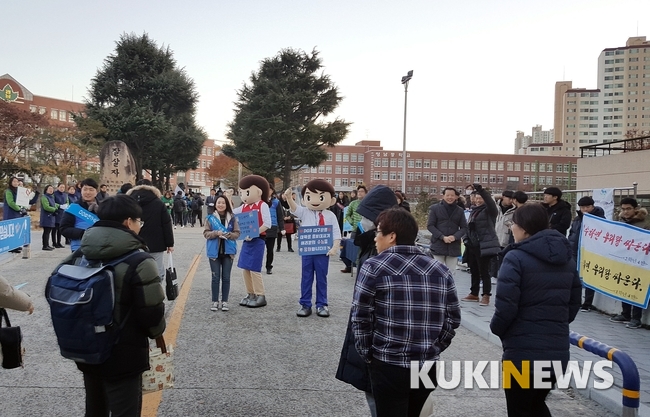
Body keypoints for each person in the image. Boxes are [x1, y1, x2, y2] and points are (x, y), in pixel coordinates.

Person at [59, 194, 166, 417]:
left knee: (95, 407)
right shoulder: (139, 260)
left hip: (88, 346)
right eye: (139, 221)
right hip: (124, 353)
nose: (140, 226)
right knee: (125, 409)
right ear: (129, 222)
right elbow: (151, 311)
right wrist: (157, 333)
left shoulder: (82, 252)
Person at [351, 208, 461, 417]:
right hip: (427, 365)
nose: (375, 238)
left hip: (389, 363)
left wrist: (368, 353)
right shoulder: (440, 270)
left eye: (378, 232)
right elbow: (453, 318)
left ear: (391, 236)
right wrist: (434, 347)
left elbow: (361, 316)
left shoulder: (374, 266)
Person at [490, 203, 581, 416]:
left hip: (522, 353)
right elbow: (574, 302)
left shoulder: (515, 257)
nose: (511, 227)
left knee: (520, 407)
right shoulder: (566, 257)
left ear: (524, 228)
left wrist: (498, 328)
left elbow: (506, 306)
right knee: (537, 404)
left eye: (514, 223)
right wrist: (555, 324)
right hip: (556, 351)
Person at [336, 185, 398, 417]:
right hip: (369, 336)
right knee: (373, 390)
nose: (362, 221)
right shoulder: (368, 243)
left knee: (381, 395)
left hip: (380, 338)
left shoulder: (384, 252)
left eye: (366, 217)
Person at [284, 180, 341, 317]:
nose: (315, 200)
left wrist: (334, 247)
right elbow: (294, 208)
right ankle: (305, 304)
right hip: (308, 251)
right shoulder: (305, 212)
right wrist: (288, 198)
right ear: (304, 199)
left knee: (322, 277)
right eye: (309, 197)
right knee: (306, 277)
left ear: (331, 200)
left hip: (323, 251)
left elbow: (336, 233)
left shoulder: (330, 215)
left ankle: (322, 304)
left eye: (321, 197)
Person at [230, 175, 271, 308]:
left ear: (259, 192)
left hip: (258, 239)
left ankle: (261, 294)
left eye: (246, 192)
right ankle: (250, 293)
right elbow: (231, 212)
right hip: (247, 240)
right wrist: (228, 198)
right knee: (245, 267)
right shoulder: (244, 207)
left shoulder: (262, 205)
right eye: (242, 193)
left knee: (254, 268)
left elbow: (267, 224)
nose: (244, 196)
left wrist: (255, 233)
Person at [609, 197, 650, 329]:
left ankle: (636, 318)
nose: (626, 211)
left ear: (635, 209)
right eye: (623, 209)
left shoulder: (644, 224)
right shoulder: (621, 222)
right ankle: (625, 313)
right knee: (624, 285)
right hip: (624, 260)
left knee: (637, 287)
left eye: (629, 209)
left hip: (640, 262)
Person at [127, 179, 175, 283]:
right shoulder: (158, 203)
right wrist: (169, 243)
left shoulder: (128, 202)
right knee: (156, 270)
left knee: (134, 268)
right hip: (155, 242)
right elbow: (166, 223)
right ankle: (155, 293)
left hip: (132, 241)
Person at [461, 184, 500, 306]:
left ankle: (486, 295)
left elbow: (490, 202)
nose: (477, 200)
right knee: (474, 270)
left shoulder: (489, 211)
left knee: (484, 271)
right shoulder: (473, 211)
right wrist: (466, 239)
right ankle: (474, 293)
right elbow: (467, 228)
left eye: (480, 198)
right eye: (476, 198)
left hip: (484, 245)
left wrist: (482, 191)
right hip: (472, 245)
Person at [567, 196, 605, 312]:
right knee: (574, 278)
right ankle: (575, 301)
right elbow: (572, 234)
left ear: (593, 206)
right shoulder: (578, 219)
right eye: (582, 207)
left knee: (589, 278)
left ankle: (587, 303)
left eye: (587, 207)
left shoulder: (600, 220)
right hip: (575, 251)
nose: (585, 209)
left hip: (591, 252)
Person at [204, 195, 241, 312]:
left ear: (227, 205)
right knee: (215, 278)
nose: (220, 205)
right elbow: (206, 234)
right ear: (215, 204)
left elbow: (237, 233)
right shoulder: (210, 218)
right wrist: (216, 233)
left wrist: (228, 235)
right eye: (218, 202)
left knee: (226, 278)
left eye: (223, 203)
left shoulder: (233, 218)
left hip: (228, 252)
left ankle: (225, 301)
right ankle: (215, 301)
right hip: (214, 252)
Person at [427, 187, 468, 275]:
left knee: (451, 273)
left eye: (452, 195)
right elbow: (430, 226)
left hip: (453, 246)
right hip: (438, 245)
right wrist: (442, 237)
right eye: (447, 195)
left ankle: (450, 289)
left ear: (456, 197)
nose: (450, 197)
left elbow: (464, 227)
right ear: (443, 196)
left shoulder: (460, 210)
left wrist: (455, 237)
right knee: (437, 272)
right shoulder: (435, 208)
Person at [60, 178, 99, 252]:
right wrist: (83, 233)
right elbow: (64, 229)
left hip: (99, 248)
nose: (88, 192)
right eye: (85, 189)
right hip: (79, 249)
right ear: (81, 191)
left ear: (96, 192)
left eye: (91, 190)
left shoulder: (103, 208)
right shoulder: (73, 208)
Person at [341, 185, 367, 273]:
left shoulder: (368, 203)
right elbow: (347, 215)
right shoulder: (353, 203)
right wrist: (351, 222)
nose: (360, 193)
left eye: (362, 191)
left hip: (365, 230)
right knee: (350, 248)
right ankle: (349, 266)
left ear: (366, 193)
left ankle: (361, 266)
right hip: (355, 229)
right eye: (358, 191)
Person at [264, 185, 284, 275]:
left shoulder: (276, 202)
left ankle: (269, 266)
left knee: (270, 249)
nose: (268, 191)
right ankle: (256, 266)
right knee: (259, 248)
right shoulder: (260, 201)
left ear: (272, 191)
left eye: (269, 189)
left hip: (272, 227)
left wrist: (282, 228)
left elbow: (280, 216)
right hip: (261, 227)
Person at [40, 185, 61, 251]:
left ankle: (47, 245)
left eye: (52, 189)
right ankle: (45, 245)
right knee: (46, 232)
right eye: (49, 189)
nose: (51, 190)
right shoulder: (44, 197)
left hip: (51, 217)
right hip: (46, 217)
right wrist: (54, 209)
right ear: (46, 189)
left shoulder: (51, 197)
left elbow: (54, 204)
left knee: (48, 231)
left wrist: (60, 206)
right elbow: (46, 207)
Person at [53, 183, 69, 248]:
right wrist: (59, 206)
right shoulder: (54, 194)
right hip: (56, 212)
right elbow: (52, 202)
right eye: (61, 187)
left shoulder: (65, 195)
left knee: (60, 229)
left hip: (62, 213)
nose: (62, 188)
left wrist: (66, 205)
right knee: (54, 229)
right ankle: (54, 242)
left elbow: (67, 201)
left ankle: (59, 242)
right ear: (58, 187)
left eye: (63, 187)